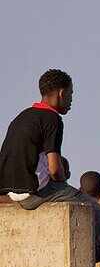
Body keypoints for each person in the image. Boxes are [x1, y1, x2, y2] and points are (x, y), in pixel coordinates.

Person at [0, 69, 78, 209]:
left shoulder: (21, 117)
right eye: (71, 94)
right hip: (33, 193)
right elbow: (54, 170)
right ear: (62, 93)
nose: (71, 99)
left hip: (10, 191)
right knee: (96, 210)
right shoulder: (52, 119)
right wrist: (63, 183)